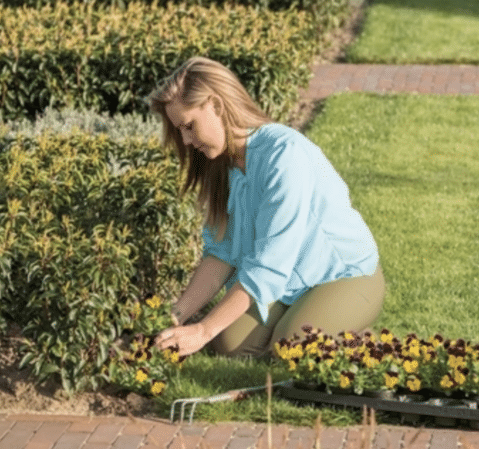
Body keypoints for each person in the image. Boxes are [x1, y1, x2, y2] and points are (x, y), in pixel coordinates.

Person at [148, 56, 384, 358]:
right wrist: (175, 317)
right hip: (289, 281)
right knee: (230, 344)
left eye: (189, 126)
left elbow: (268, 266)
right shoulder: (223, 166)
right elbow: (220, 255)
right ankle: (305, 322)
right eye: (180, 130)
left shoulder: (284, 155)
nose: (186, 139)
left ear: (216, 106)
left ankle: (363, 340)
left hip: (344, 274)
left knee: (292, 348)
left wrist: (204, 329)